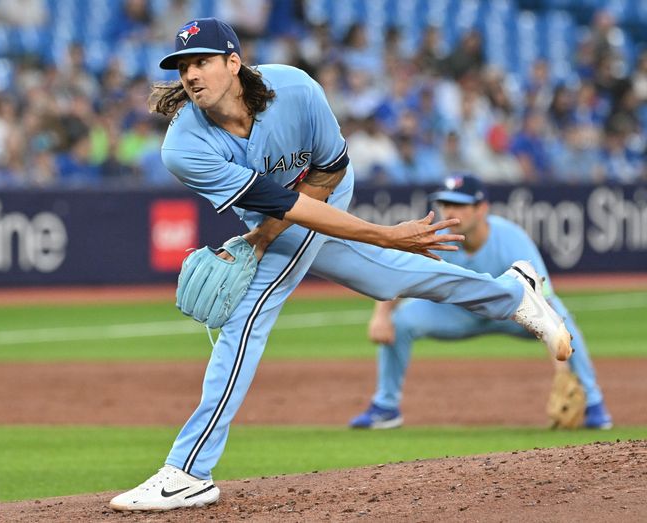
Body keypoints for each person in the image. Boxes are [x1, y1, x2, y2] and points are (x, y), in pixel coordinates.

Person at [109, 18, 572, 512]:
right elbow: (274, 205)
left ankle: (189, 470)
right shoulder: (184, 146)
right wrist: (272, 236)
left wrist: (384, 233)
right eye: (182, 66)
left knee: (246, 317)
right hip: (275, 212)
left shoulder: (296, 88)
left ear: (233, 62)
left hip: (326, 188)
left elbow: (331, 169)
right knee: (385, 277)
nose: (191, 75)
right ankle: (512, 293)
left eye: (201, 61)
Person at [349, 174, 613, 431]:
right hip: (457, 314)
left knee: (563, 322)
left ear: (482, 208)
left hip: (514, 315)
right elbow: (403, 276)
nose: (451, 212)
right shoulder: (436, 237)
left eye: (460, 205)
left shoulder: (511, 239)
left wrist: (561, 368)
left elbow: (545, 302)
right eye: (446, 204)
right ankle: (386, 408)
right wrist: (380, 316)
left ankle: (594, 403)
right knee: (400, 322)